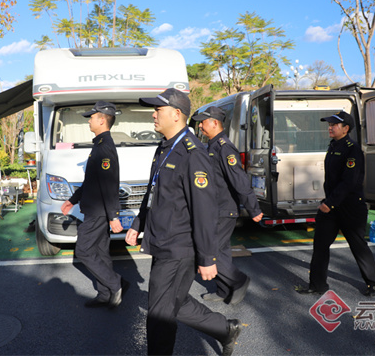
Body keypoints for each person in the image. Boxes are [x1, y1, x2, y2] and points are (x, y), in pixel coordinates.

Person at [125, 88, 241, 356]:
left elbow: (205, 210)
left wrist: (208, 257)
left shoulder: (193, 154)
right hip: (163, 240)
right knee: (175, 303)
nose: (153, 115)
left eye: (158, 110)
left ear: (176, 114)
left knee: (159, 316)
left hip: (179, 247)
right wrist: (138, 222)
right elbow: (154, 191)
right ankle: (226, 329)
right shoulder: (165, 147)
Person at [297, 111, 375, 297]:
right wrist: (329, 203)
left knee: (358, 245)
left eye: (334, 125)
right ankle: (317, 284)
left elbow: (349, 182)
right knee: (320, 244)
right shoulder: (334, 145)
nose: (330, 127)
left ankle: (373, 282)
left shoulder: (352, 149)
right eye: (329, 124)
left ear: (346, 129)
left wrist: (330, 202)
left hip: (350, 207)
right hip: (331, 207)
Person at [193, 106, 263, 305]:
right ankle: (223, 290)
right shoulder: (212, 145)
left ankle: (239, 280)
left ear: (215, 123)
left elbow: (238, 179)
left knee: (211, 251)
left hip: (224, 209)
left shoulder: (224, 147)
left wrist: (253, 208)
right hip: (215, 207)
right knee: (221, 251)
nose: (200, 126)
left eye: (203, 122)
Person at [61, 101, 127, 308]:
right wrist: (73, 200)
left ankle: (114, 283)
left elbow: (109, 184)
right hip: (93, 209)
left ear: (101, 119)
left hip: (99, 211)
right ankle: (105, 294)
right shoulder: (98, 145)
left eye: (91, 117)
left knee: (83, 251)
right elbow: (92, 181)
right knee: (99, 252)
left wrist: (113, 215)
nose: (89, 120)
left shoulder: (105, 147)